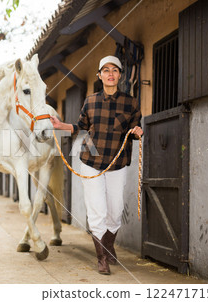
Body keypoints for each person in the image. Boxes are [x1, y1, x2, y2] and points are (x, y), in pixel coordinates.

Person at [50, 55, 143, 275]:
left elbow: (135, 129)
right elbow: (81, 127)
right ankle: (102, 257)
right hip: (91, 162)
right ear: (99, 75)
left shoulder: (131, 102)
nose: (110, 74)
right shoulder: (90, 101)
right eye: (106, 70)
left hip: (117, 163)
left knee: (116, 209)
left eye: (115, 70)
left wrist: (138, 132)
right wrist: (61, 125)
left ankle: (108, 245)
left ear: (120, 75)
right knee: (97, 210)